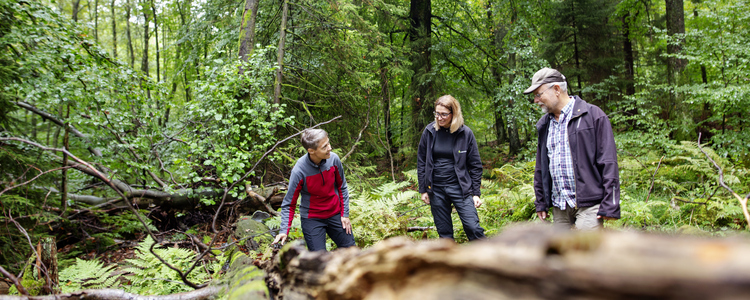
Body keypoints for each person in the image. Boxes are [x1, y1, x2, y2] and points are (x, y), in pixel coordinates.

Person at [524, 67, 620, 230]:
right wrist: (541, 201)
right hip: (559, 207)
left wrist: (610, 204)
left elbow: (608, 162)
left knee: (585, 253)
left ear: (556, 89)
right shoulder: (544, 125)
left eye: (538, 94)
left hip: (590, 204)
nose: (536, 100)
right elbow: (541, 167)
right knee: (561, 255)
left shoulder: (593, 116)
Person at [271, 129, 356, 251]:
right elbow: (289, 203)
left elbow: (342, 187)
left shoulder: (334, 159)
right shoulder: (299, 171)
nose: (330, 148)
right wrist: (284, 230)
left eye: (328, 143)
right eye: (324, 146)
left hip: (335, 214)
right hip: (312, 219)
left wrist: (345, 214)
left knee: (352, 252)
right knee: (319, 261)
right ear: (311, 151)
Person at [417, 95, 485, 241]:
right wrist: (423, 189)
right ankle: (450, 262)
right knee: (444, 233)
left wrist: (476, 193)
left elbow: (475, 166)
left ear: (454, 114)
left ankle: (489, 260)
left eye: (443, 114)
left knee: (473, 227)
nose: (439, 118)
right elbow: (422, 161)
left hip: (460, 187)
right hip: (436, 189)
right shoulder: (429, 132)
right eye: (437, 113)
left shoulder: (465, 134)